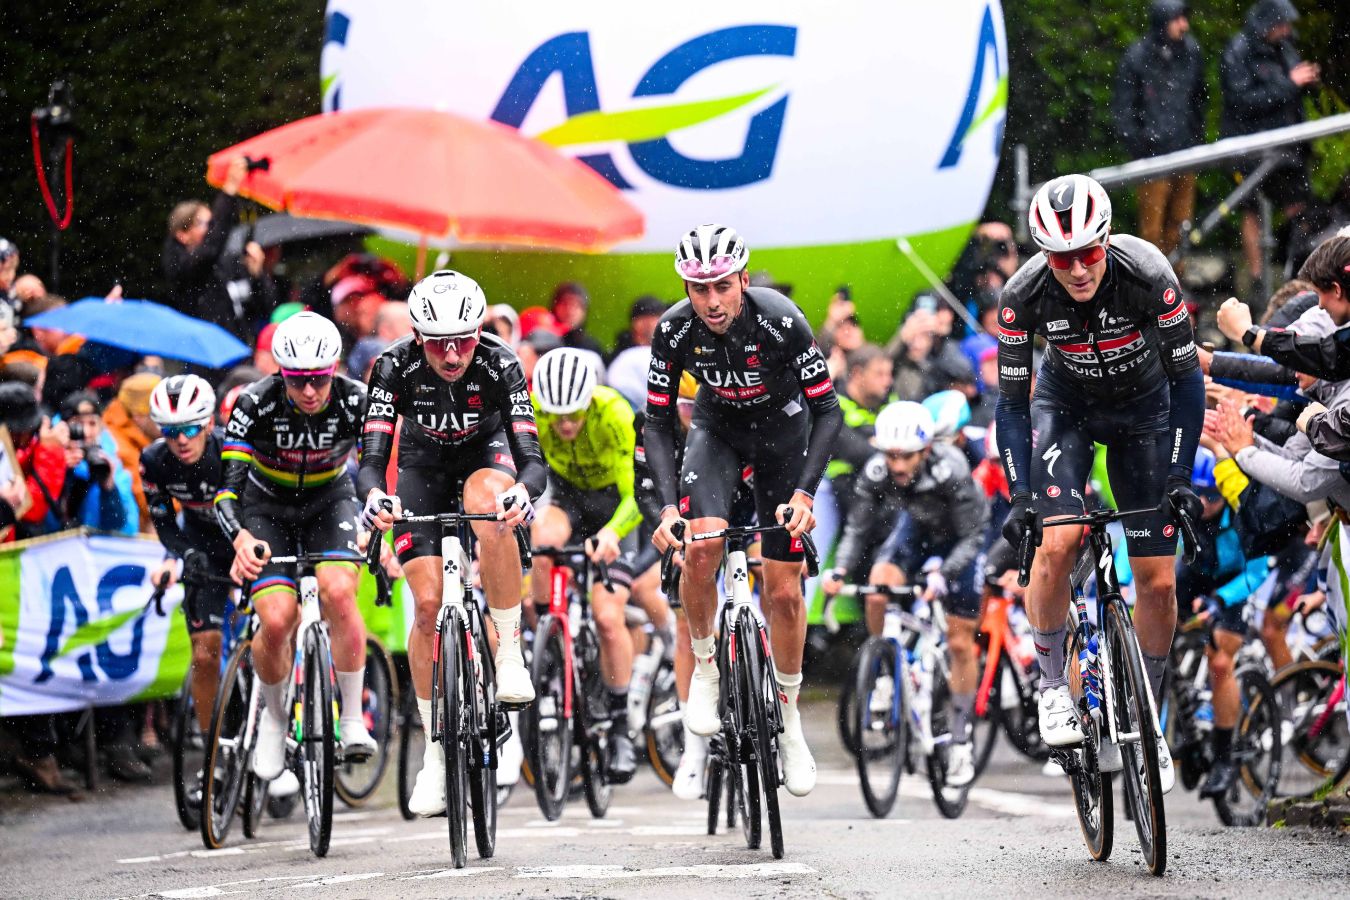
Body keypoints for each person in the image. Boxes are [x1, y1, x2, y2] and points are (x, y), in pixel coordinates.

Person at [996, 173, 1205, 794]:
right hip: (1067, 411)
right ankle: (1052, 688)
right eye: (1061, 258)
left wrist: (1179, 475)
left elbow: (1188, 382)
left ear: (1106, 240)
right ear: (1044, 256)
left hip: (1145, 415)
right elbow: (1011, 405)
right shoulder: (1023, 294)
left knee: (1158, 581)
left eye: (1088, 253)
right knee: (1057, 543)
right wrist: (1021, 495)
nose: (1078, 269)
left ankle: (1149, 717)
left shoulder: (1148, 274)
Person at [646, 223, 843, 797]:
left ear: (743, 281)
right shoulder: (674, 329)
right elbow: (657, 421)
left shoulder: (781, 319)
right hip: (717, 432)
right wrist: (667, 509)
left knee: (783, 592)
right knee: (700, 547)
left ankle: (790, 719)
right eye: (698, 289)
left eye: (722, 287)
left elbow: (829, 411)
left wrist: (804, 494)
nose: (711, 301)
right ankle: (707, 667)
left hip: (783, 436)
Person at [357, 269, 546, 817]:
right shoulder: (392, 366)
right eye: (438, 342)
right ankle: (436, 754)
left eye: (463, 339)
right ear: (417, 335)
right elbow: (371, 461)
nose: (453, 354)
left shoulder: (500, 362)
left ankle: (507, 654)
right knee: (427, 607)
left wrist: (521, 494)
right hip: (422, 468)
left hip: (486, 456)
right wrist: (374, 497)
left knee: (491, 503)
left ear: (478, 331)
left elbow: (532, 461)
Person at [215, 311, 377, 781]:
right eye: (297, 380)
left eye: (319, 379)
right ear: (280, 372)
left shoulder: (356, 400)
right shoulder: (254, 402)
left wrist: (374, 521)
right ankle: (274, 716)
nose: (309, 391)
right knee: (276, 618)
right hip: (266, 507)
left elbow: (376, 471)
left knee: (339, 591)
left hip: (330, 499)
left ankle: (351, 717)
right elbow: (227, 491)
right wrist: (240, 537)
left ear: (335, 369)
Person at [824, 401, 990, 785]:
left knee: (960, 640)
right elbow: (857, 529)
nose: (897, 466)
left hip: (961, 540)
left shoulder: (951, 470)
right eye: (891, 455)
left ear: (926, 450)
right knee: (878, 585)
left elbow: (972, 537)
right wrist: (840, 569)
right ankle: (884, 671)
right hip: (916, 532)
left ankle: (961, 740)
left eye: (907, 457)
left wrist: (944, 575)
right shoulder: (877, 470)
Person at [530, 347, 645, 783]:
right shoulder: (535, 410)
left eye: (573, 414)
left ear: (590, 400)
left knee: (608, 618)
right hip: (568, 498)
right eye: (556, 416)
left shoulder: (614, 413)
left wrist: (612, 533)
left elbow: (636, 494)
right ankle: (546, 644)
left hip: (616, 508)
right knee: (542, 542)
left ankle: (620, 725)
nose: (564, 425)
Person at [139, 376, 237, 804]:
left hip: (251, 538)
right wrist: (184, 554)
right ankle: (216, 757)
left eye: (191, 428)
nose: (181, 440)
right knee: (204, 653)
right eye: (171, 431)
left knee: (272, 631)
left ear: (210, 423)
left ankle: (279, 725)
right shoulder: (153, 460)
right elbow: (163, 521)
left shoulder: (232, 450)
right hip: (204, 548)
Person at [1173, 449, 1269, 800]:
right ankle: (1185, 733)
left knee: (1219, 660)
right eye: (1197, 493)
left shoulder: (1243, 513)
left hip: (1236, 584)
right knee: (1157, 635)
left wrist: (1221, 600)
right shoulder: (1189, 507)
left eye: (1211, 496)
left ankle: (1225, 755)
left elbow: (1258, 572)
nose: (1203, 502)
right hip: (1197, 577)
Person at [1220, 0, 1321, 284]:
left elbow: (1290, 88)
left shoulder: (1284, 47)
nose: (1287, 29)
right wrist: (1290, 83)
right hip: (1250, 149)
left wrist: (1307, 82)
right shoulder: (1238, 51)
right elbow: (1241, 102)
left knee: (1299, 207)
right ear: (1268, 23)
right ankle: (1257, 280)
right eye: (1282, 24)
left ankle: (1301, 274)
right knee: (1252, 210)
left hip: (1287, 146)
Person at [1111, 0, 1206, 261]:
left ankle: (1177, 280)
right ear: (1162, 21)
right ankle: (1151, 281)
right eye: (1177, 19)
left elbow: (1198, 99)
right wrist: (1141, 146)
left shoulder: (1191, 52)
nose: (1184, 25)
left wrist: (1195, 138)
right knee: (1151, 232)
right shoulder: (1137, 57)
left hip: (1185, 152)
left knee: (1181, 226)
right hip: (1152, 157)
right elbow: (1124, 108)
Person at [162, 155, 266, 339]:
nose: (212, 229)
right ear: (182, 235)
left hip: (237, 348)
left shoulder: (225, 262)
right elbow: (211, 247)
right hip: (202, 349)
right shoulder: (180, 266)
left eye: (212, 223)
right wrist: (230, 189)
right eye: (204, 224)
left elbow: (263, 306)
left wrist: (257, 275)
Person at [54, 391, 139, 535]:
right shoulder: (49, 459)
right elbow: (47, 521)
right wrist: (60, 471)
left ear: (101, 427)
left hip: (99, 544)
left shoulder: (110, 463)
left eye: (92, 423)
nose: (86, 432)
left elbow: (117, 525)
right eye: (78, 424)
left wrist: (109, 488)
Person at [103, 372, 162, 531]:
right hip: (131, 538)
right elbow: (148, 502)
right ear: (139, 416)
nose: (166, 422)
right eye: (159, 415)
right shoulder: (119, 445)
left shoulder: (138, 437)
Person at [551, 282, 607, 358]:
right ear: (555, 307)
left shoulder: (592, 348)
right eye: (565, 303)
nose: (570, 311)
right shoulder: (541, 342)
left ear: (585, 311)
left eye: (576, 305)